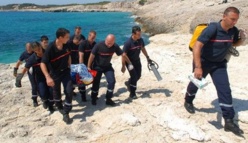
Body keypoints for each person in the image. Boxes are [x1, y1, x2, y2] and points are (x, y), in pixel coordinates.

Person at [184, 7, 246, 135]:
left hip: (219, 64)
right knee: (196, 83)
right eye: (232, 19)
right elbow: (197, 46)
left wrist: (243, 38)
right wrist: (198, 67)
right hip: (204, 62)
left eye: (236, 20)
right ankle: (188, 100)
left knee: (225, 89)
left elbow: (234, 44)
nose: (234, 22)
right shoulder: (212, 29)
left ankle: (228, 121)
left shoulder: (233, 31)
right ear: (224, 16)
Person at [87, 34, 132, 106]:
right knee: (96, 83)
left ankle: (108, 98)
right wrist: (88, 67)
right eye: (107, 42)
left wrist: (129, 63)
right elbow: (91, 56)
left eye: (110, 43)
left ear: (114, 42)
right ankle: (94, 98)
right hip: (97, 66)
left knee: (112, 81)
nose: (108, 44)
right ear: (105, 39)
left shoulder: (115, 46)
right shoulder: (98, 45)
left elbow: (123, 54)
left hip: (107, 66)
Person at [40, 28, 73, 124]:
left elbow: (69, 55)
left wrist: (70, 66)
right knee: (56, 92)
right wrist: (47, 77)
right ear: (60, 37)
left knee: (69, 90)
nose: (68, 38)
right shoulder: (50, 48)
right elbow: (43, 63)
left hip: (66, 71)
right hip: (55, 74)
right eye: (66, 37)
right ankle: (59, 107)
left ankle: (66, 111)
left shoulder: (67, 45)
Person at [16, 42, 54, 113]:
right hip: (40, 78)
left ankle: (51, 105)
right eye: (36, 50)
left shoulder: (48, 53)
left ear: (40, 46)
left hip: (50, 75)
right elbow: (26, 68)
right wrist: (19, 78)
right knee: (43, 93)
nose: (39, 51)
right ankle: (45, 101)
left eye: (39, 48)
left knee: (51, 92)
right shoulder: (32, 58)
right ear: (34, 51)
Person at [122, 26, 152, 99]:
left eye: (140, 34)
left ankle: (129, 83)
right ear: (133, 34)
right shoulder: (128, 43)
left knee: (138, 75)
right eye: (138, 34)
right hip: (129, 63)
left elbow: (143, 48)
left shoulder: (140, 40)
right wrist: (123, 66)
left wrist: (147, 57)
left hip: (137, 61)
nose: (140, 36)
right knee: (134, 77)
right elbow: (123, 55)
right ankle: (132, 93)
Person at [14, 42, 39, 107]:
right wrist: (15, 69)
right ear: (26, 48)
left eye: (30, 47)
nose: (29, 49)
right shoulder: (24, 54)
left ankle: (41, 94)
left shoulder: (35, 52)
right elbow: (19, 61)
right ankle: (34, 100)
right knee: (34, 85)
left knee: (39, 84)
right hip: (30, 70)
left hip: (38, 69)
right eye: (27, 47)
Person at [78, 30, 97, 102]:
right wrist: (82, 67)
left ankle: (93, 94)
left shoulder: (95, 44)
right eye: (92, 37)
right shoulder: (83, 44)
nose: (93, 39)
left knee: (93, 80)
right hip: (83, 63)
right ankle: (83, 96)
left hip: (92, 64)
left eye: (94, 38)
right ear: (89, 36)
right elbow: (81, 56)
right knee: (83, 81)